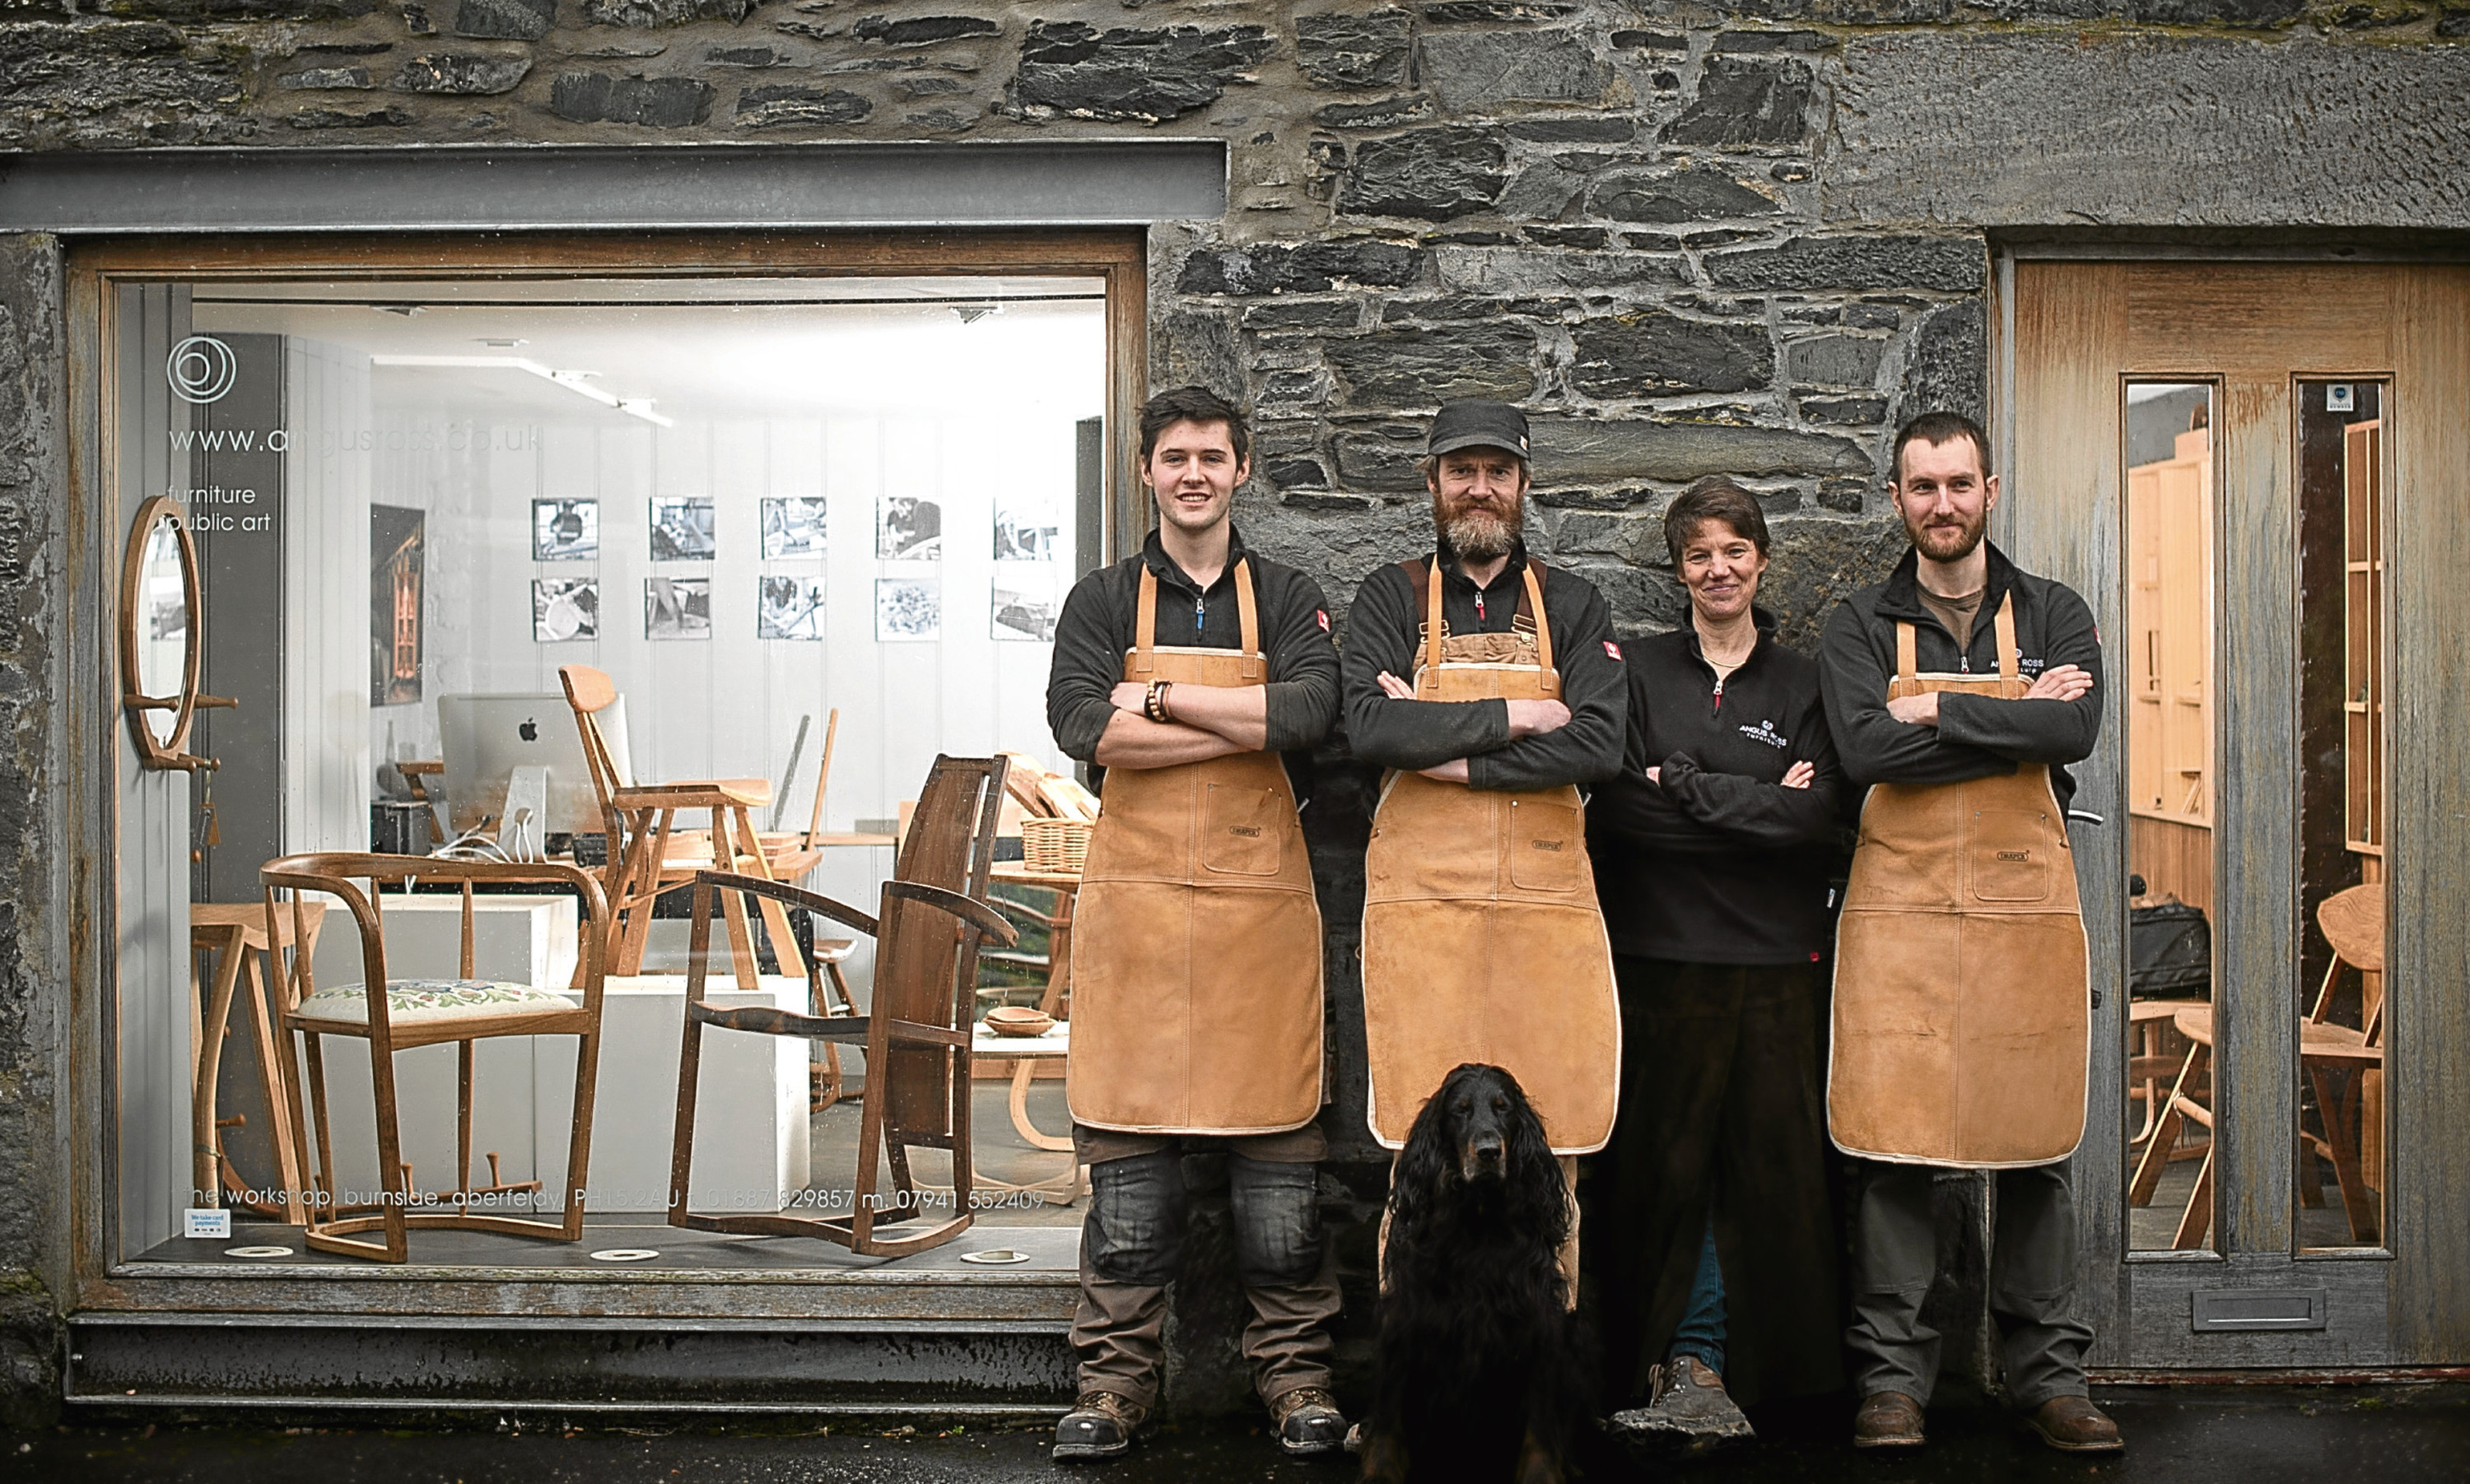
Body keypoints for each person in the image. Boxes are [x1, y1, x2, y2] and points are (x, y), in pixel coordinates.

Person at [1042, 386, 1349, 1462]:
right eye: (1174, 457)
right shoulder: (1099, 599)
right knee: (1129, 1190)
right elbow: (1085, 728)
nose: (1194, 475)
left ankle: (1298, 1380)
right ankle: (1113, 1387)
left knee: (1280, 1193)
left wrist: (1161, 703)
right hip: (1135, 925)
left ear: (1243, 469)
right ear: (1146, 471)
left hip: (1263, 929)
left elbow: (1312, 714)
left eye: (1212, 457)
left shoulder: (1294, 592)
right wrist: (1239, 723)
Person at [1818, 411, 2119, 1454]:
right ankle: (1893, 1382)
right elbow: (1861, 754)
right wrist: (2008, 711)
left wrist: (1930, 714)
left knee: (2034, 1145)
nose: (1941, 505)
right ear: (1897, 501)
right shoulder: (1858, 623)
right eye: (1921, 488)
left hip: (2021, 918)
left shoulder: (2056, 609)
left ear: (1991, 489)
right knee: (1896, 1149)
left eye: (1958, 484)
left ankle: (2050, 1377)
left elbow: (2073, 729)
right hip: (1898, 920)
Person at [1587, 477, 1848, 1456]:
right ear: (1678, 570)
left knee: (1777, 1181)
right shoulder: (1639, 672)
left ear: (1763, 559)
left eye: (1734, 551)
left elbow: (1817, 819)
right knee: (1665, 1177)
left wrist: (1687, 785)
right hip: (1659, 959)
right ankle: (1676, 1363)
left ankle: (1774, 1384)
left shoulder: (1808, 681)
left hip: (1781, 962)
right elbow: (1619, 807)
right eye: (1699, 554)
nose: (1718, 569)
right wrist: (1751, 804)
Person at [1345, 399, 1626, 1224]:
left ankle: (1550, 1332)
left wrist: (1443, 754)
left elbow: (1600, 747)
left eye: (1497, 472)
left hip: (1546, 918)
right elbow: (1365, 727)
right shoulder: (1388, 596)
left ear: (1525, 484)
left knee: (1557, 1150)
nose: (1479, 489)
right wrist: (1523, 716)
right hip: (1421, 917)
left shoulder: (1574, 605)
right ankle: (1416, 1338)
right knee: (1415, 1148)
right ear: (1431, 484)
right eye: (1461, 472)